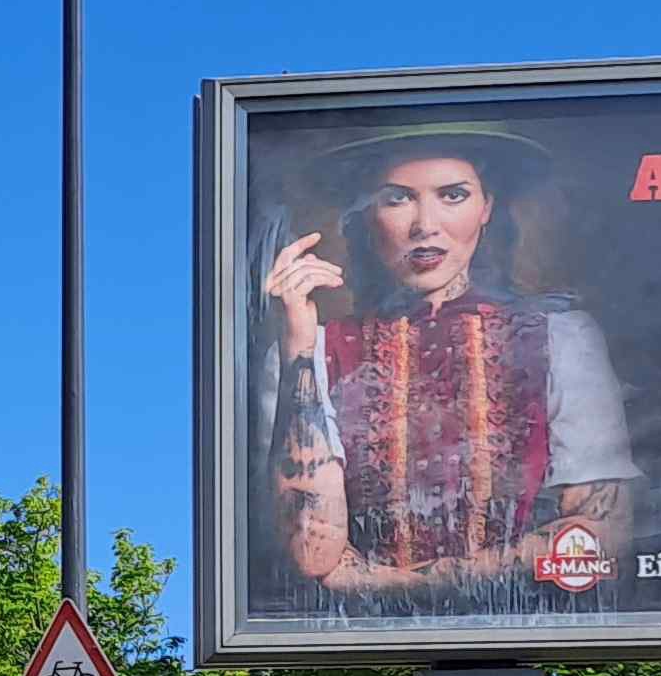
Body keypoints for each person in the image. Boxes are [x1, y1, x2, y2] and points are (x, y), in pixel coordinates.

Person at [260, 125, 635, 601]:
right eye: (397, 198)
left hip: (534, 626)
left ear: (486, 208)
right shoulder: (310, 351)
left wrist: (402, 583)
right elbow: (313, 556)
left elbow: (601, 534)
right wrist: (297, 343)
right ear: (366, 214)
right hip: (360, 640)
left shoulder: (561, 337)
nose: (425, 225)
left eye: (453, 195)